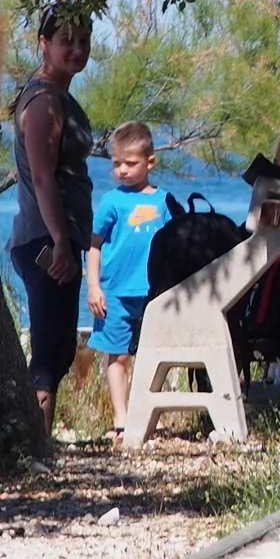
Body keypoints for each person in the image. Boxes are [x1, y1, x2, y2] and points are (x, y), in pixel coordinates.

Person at [9, 3, 93, 434]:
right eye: (66, 41)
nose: (77, 50)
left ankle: (39, 442)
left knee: (59, 349)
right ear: (44, 43)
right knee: (48, 350)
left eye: (84, 41)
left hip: (59, 238)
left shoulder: (57, 96)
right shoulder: (43, 102)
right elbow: (42, 177)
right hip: (45, 240)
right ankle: (33, 444)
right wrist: (60, 239)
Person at [85, 120, 166, 438]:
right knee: (117, 355)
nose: (122, 170)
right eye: (117, 163)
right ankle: (121, 418)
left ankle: (151, 415)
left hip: (153, 294)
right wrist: (93, 286)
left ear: (150, 162)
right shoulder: (111, 202)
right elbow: (94, 246)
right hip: (115, 292)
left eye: (130, 163)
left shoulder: (163, 202)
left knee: (153, 356)